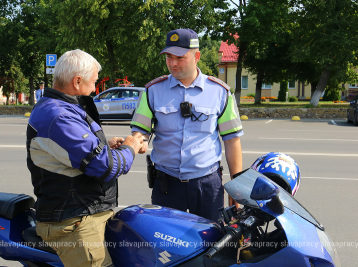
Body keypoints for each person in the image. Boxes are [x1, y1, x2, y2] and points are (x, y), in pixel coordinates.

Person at [26, 49, 144, 267]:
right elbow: (104, 166)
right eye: (94, 83)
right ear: (77, 81)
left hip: (84, 213)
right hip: (74, 221)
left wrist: (104, 146)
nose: (94, 89)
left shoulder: (63, 108)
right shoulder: (59, 115)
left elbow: (71, 152)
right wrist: (131, 147)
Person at [130, 29, 244, 222]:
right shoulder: (152, 91)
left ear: (196, 56)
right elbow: (140, 131)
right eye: (168, 57)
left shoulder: (220, 92)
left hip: (207, 185)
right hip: (167, 185)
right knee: (166, 245)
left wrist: (237, 185)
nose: (173, 63)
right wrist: (138, 142)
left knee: (212, 242)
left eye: (180, 58)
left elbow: (232, 140)